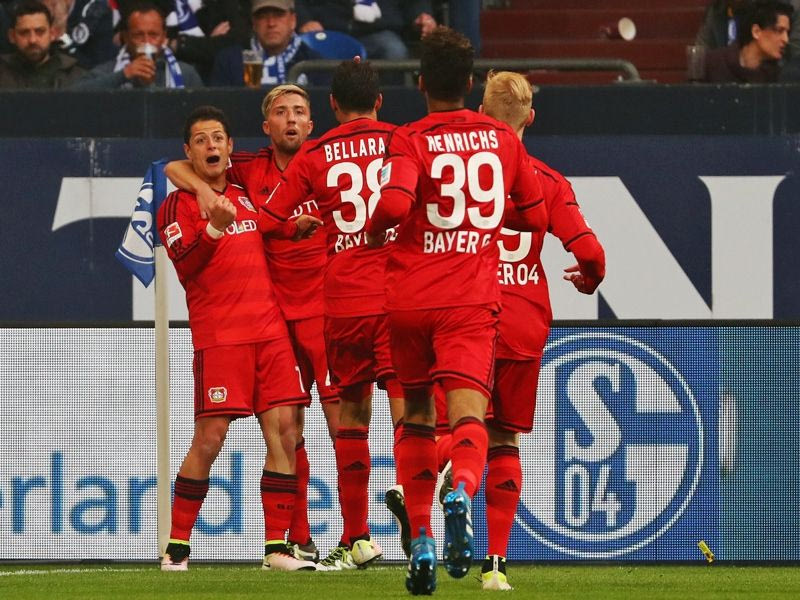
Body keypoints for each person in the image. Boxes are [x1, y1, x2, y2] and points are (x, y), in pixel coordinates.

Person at [363, 27, 547, 595]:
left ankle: (420, 538)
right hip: (469, 301)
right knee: (471, 417)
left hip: (409, 300)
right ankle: (462, 490)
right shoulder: (502, 139)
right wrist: (484, 219)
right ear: (470, 83)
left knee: (418, 419)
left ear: (420, 83)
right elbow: (535, 216)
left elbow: (395, 202)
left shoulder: (409, 137)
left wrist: (375, 232)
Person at [163, 84, 337, 566]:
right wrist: (212, 224)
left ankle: (277, 547)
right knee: (210, 439)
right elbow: (187, 266)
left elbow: (267, 226)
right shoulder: (177, 206)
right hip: (222, 339)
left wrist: (292, 228)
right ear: (189, 151)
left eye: (218, 138)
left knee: (285, 431)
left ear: (230, 146)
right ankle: (176, 547)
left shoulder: (243, 192)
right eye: (201, 140)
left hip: (270, 333)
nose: (211, 145)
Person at [257, 58, 402, 570]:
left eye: (300, 111)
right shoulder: (402, 141)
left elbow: (266, 217)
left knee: (349, 421)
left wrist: (289, 224)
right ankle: (407, 509)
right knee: (407, 411)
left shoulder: (314, 157)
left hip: (338, 305)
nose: (291, 119)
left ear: (329, 108)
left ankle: (357, 533)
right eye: (282, 111)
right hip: (379, 298)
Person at [476, 70, 605, 590]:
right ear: (530, 117)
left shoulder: (458, 173)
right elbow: (591, 252)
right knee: (504, 438)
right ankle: (495, 565)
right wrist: (589, 278)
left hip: (467, 314)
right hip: (523, 321)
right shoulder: (548, 181)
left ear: (481, 115)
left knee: (451, 426)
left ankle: (447, 485)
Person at [73, 1, 203, 89]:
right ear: (126, 37)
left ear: (164, 36)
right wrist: (124, 75)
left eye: (153, 35)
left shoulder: (186, 74)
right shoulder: (109, 71)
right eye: (138, 35)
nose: (146, 42)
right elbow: (73, 96)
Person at [209, 0, 322, 87]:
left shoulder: (314, 64)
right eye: (262, 16)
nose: (271, 23)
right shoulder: (229, 61)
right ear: (254, 23)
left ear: (293, 20)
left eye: (278, 15)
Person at [295, 0, 436, 60]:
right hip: (327, 29)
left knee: (394, 50)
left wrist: (420, 15)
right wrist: (304, 20)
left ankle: (390, 108)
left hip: (378, 30)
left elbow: (414, 2)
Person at [0, 0, 86, 88]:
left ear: (52, 34)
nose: (32, 40)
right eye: (24, 33)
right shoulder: (2, 75)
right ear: (12, 36)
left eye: (40, 31)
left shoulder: (77, 78)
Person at [702, 0, 792, 82]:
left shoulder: (781, 75)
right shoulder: (713, 64)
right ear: (756, 31)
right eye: (779, 31)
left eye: (787, 32)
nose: (786, 39)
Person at [59, 0, 116, 69]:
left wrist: (59, 33)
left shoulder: (96, 7)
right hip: (70, 61)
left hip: (92, 68)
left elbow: (72, 42)